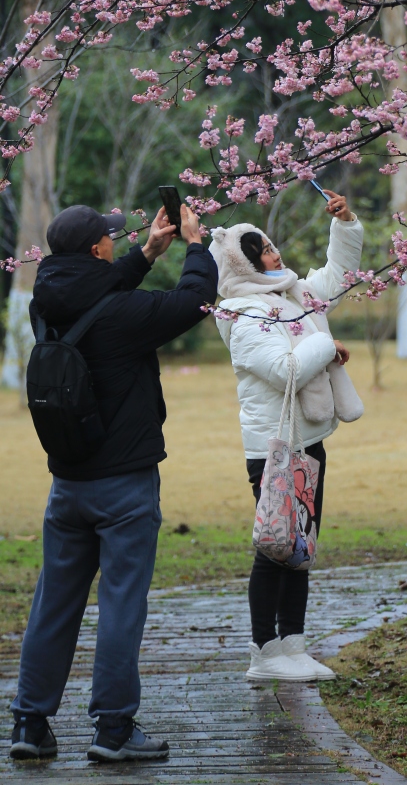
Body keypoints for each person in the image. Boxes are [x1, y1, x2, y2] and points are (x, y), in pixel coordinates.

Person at [10, 202, 218, 763]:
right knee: (122, 605)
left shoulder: (44, 302)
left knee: (54, 602)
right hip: (123, 484)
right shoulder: (125, 316)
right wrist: (196, 248)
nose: (114, 240)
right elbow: (193, 300)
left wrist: (147, 253)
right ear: (99, 248)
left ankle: (30, 724)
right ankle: (113, 730)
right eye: (110, 236)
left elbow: (94, 296)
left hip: (68, 484)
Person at [210, 189, 364, 682]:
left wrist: (346, 223)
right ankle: (264, 653)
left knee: (299, 546)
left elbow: (337, 277)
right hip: (272, 450)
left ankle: (293, 645)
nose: (277, 255)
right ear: (246, 266)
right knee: (274, 545)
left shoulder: (289, 297)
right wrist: (324, 342)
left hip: (308, 440)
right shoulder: (246, 314)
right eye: (266, 252)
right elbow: (285, 368)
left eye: (272, 247)